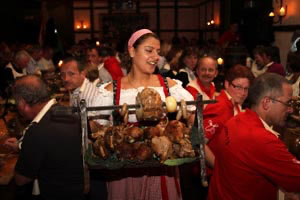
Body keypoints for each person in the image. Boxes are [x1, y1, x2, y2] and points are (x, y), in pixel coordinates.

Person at [91, 29, 195, 200]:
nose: (156, 57)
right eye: (149, 50)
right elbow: (95, 127)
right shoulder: (112, 90)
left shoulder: (168, 85)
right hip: (125, 171)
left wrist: (184, 133)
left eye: (158, 52)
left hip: (162, 168)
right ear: (132, 51)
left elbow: (192, 113)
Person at [207, 73, 300, 200]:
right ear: (266, 102)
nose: (290, 110)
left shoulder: (236, 120)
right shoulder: (262, 139)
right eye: (287, 103)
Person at [8, 75, 84, 200]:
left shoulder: (36, 131)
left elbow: (21, 180)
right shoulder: (70, 113)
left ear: (22, 104)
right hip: (79, 191)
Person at [203, 64, 254, 155]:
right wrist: (216, 165)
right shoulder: (219, 106)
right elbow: (199, 143)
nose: (242, 93)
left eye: (246, 89)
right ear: (227, 84)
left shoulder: (236, 104)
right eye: (238, 87)